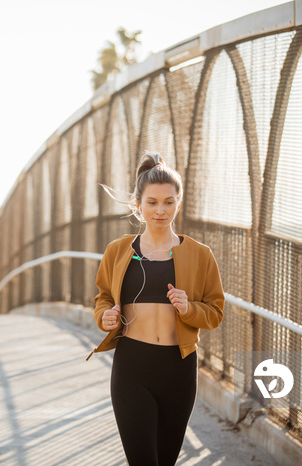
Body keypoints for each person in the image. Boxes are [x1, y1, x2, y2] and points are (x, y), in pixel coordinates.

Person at [87, 151, 225, 465]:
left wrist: (189, 308)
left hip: (179, 369)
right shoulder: (118, 250)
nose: (160, 210)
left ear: (178, 203)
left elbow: (215, 312)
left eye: (168, 202)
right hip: (132, 368)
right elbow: (103, 298)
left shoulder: (200, 255)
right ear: (138, 205)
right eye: (152, 202)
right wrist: (104, 317)